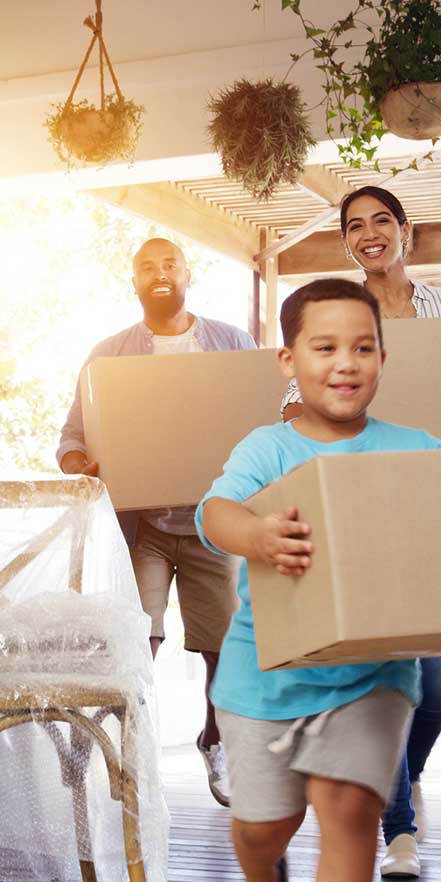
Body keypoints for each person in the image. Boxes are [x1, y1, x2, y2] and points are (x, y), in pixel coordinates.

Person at [196, 278, 441, 882]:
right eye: (326, 347)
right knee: (264, 825)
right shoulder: (268, 449)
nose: (346, 363)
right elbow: (217, 513)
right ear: (287, 360)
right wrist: (258, 536)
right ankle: (262, 877)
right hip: (265, 672)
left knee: (349, 805)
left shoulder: (417, 449)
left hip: (374, 670)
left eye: (363, 348)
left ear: (382, 357)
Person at [281, 186, 441, 879]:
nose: (370, 234)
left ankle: (406, 775)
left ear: (405, 231)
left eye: (382, 221)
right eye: (355, 226)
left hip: (434, 499)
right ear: (347, 240)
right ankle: (399, 832)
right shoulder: (338, 311)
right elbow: (303, 394)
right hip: (363, 503)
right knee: (390, 670)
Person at [57, 237, 256, 806]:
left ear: (188, 274)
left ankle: (215, 740)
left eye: (170, 264)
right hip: (143, 527)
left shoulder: (231, 344)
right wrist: (81, 464)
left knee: (223, 649)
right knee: (136, 643)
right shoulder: (108, 354)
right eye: (148, 266)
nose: (160, 273)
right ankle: (119, 748)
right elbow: (73, 436)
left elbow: (264, 419)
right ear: (135, 281)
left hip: (212, 522)